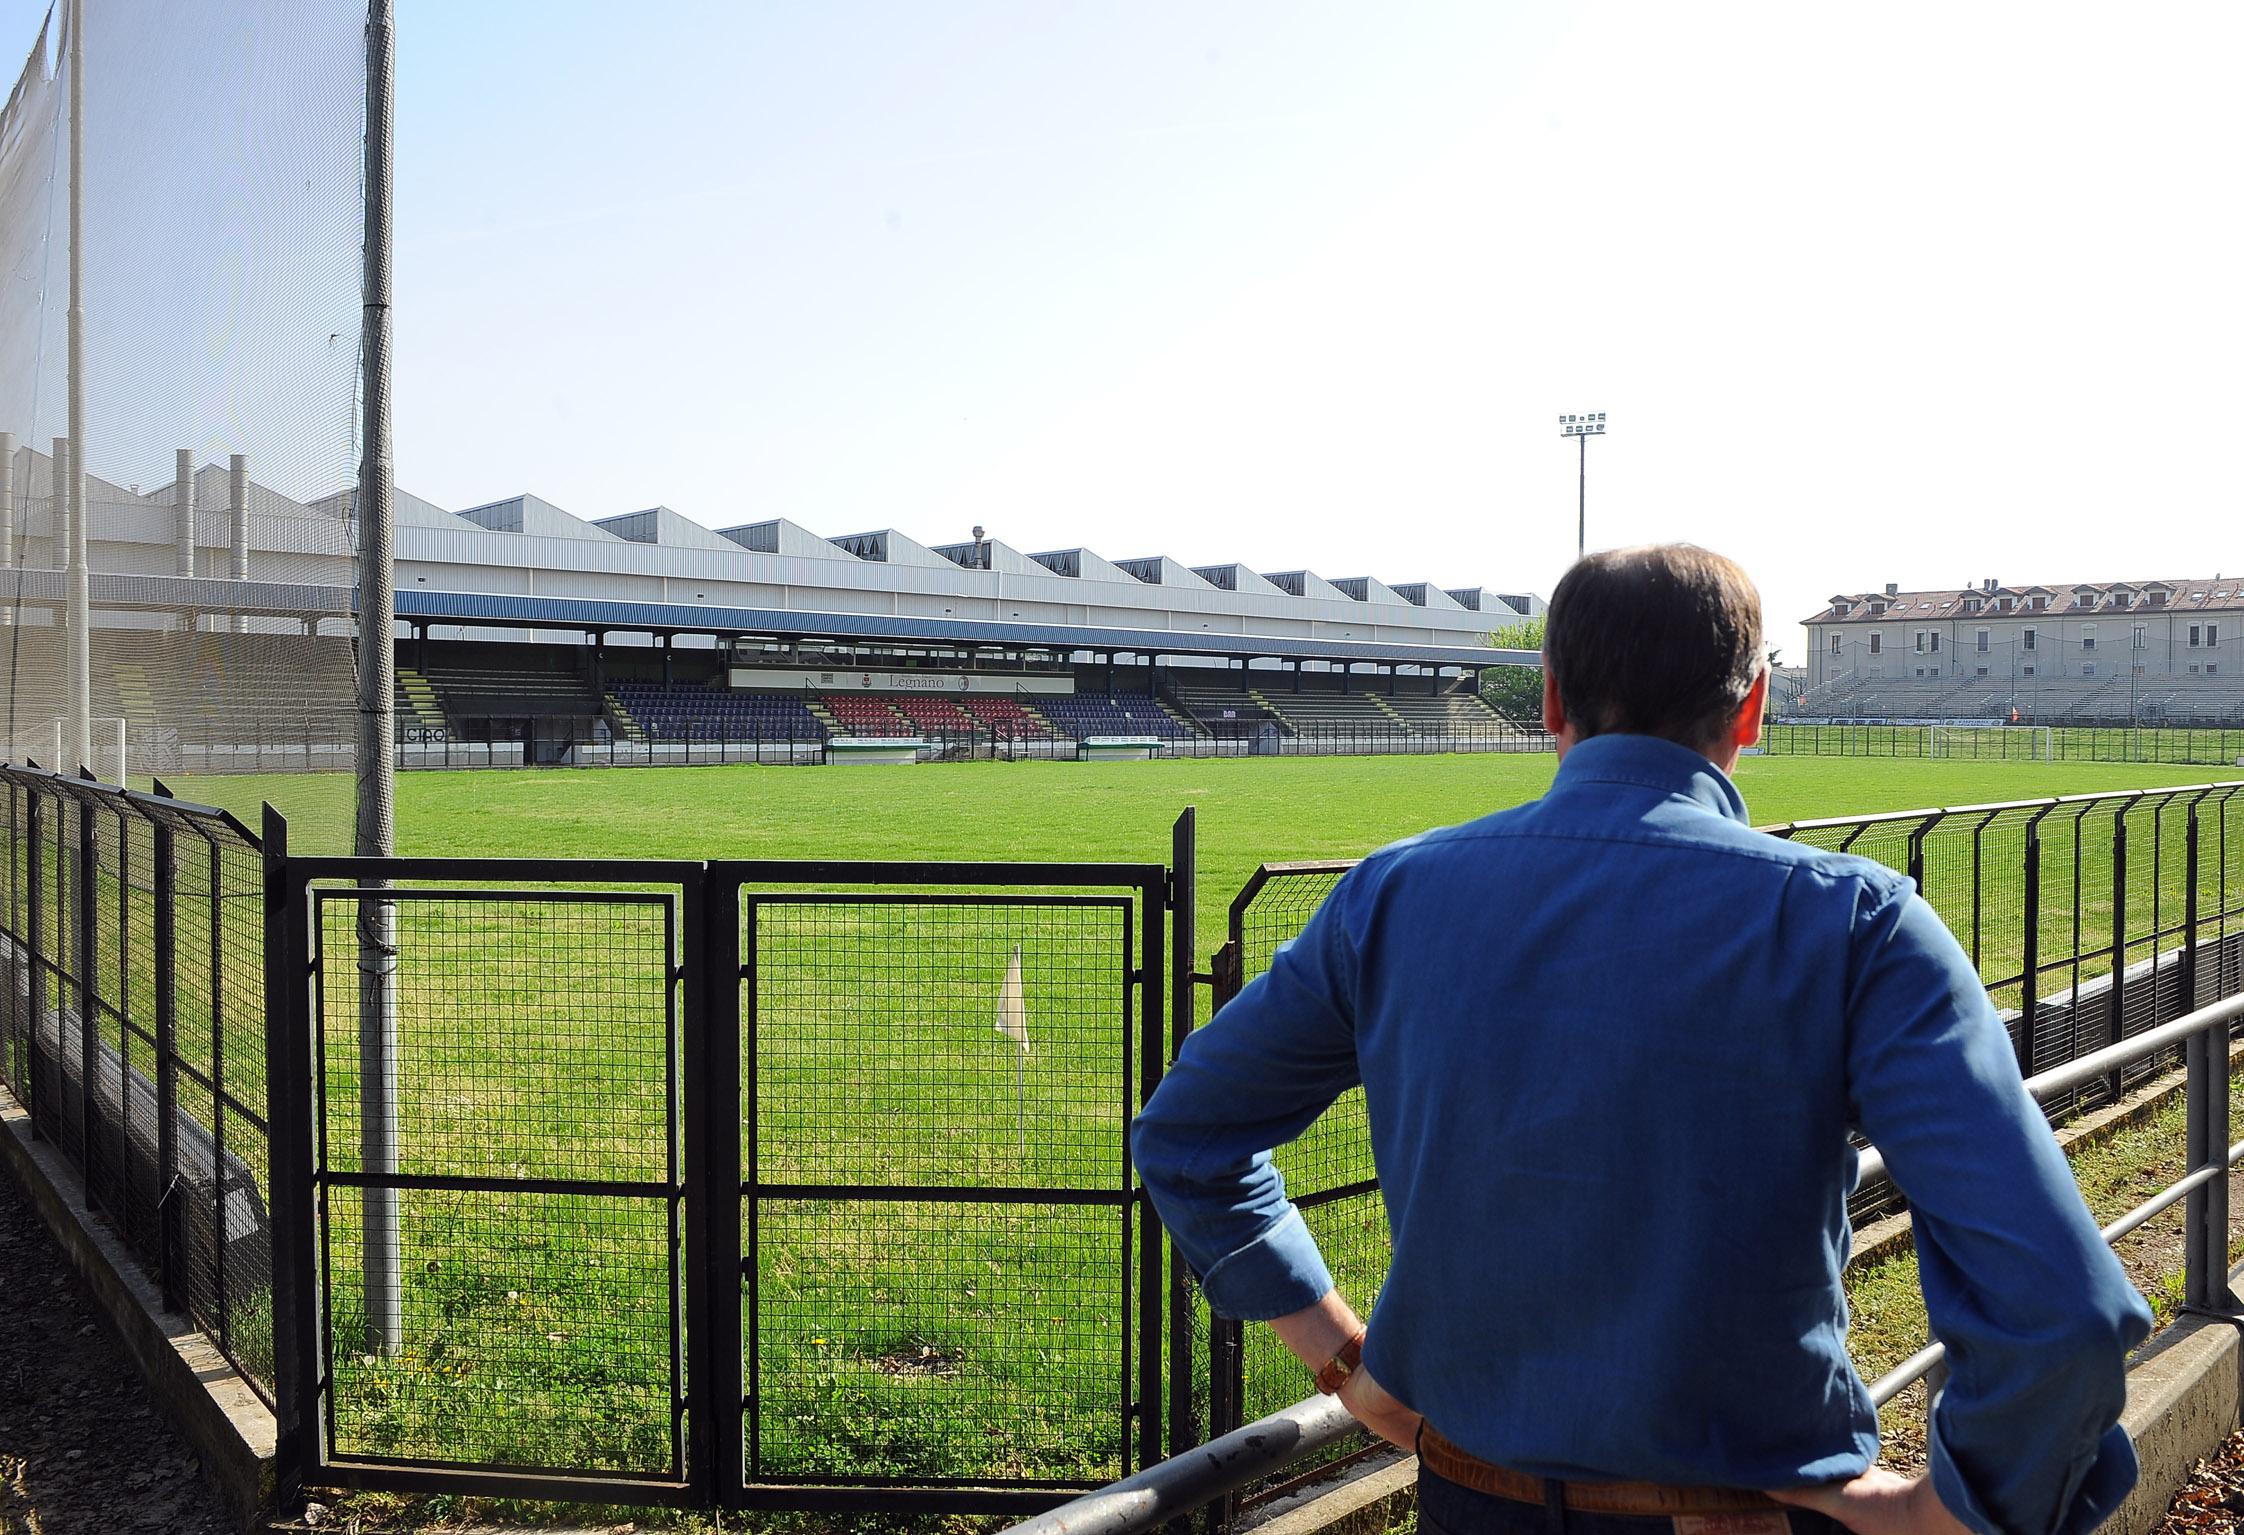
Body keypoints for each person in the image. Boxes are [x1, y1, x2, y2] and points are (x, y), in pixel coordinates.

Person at [1133, 544, 2150, 1535]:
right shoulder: (1853, 922)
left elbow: (1188, 1131)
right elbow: (2059, 1311)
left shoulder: (1392, 896)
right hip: (1747, 1507)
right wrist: (1961, 1503)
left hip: (1468, 1495)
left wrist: (1344, 1362)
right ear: (1753, 706)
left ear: (1549, 699)